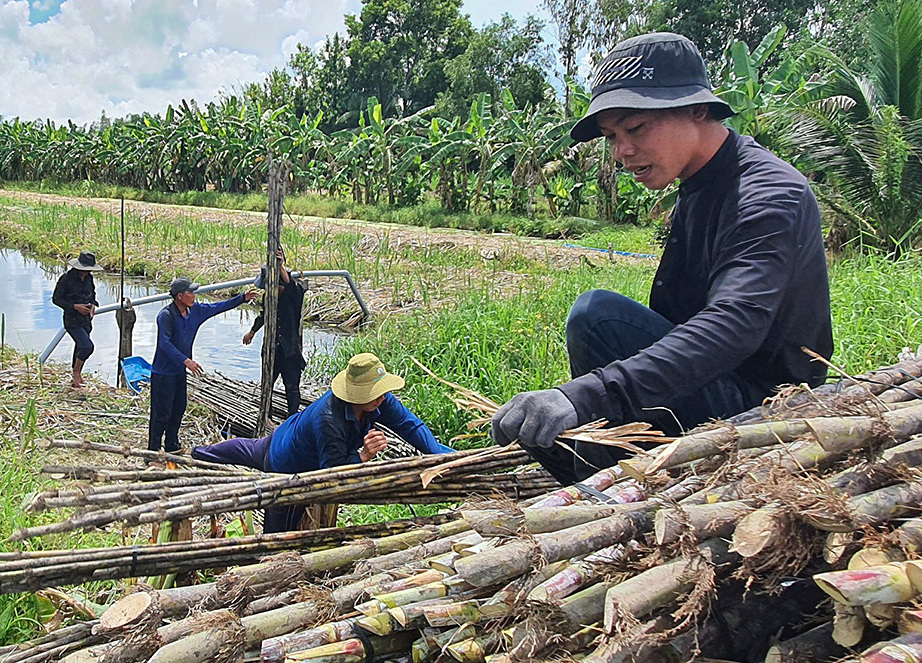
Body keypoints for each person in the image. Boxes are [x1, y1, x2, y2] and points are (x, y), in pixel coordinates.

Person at [491, 32, 833, 486]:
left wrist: (587, 396)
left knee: (598, 319)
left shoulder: (766, 194)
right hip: (719, 385)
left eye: (635, 129)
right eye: (612, 136)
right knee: (548, 426)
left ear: (697, 109)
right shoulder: (701, 183)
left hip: (767, 409)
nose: (621, 152)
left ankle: (598, 486)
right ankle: (597, 473)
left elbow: (733, 324)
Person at [192, 353, 455, 532]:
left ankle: (200, 452)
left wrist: (446, 456)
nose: (383, 398)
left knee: (247, 448)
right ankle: (199, 454)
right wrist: (363, 456)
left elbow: (410, 425)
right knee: (281, 523)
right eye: (376, 394)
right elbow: (332, 472)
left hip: (286, 433)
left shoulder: (379, 399)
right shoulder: (329, 419)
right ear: (355, 396)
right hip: (288, 464)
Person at [149, 277, 259, 456]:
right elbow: (164, 344)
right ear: (179, 297)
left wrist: (242, 298)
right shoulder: (166, 316)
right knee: (161, 413)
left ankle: (171, 445)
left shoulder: (195, 311)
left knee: (179, 408)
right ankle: (152, 452)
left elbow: (218, 307)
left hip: (179, 372)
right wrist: (186, 361)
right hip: (163, 373)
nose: (194, 296)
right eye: (190, 293)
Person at [243, 246, 307, 416]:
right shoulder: (269, 297)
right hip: (272, 349)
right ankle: (267, 416)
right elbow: (265, 315)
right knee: (267, 384)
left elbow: (291, 285)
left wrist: (279, 266)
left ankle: (292, 419)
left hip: (290, 350)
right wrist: (252, 331)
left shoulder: (294, 294)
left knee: (292, 388)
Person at [52, 251, 103, 388]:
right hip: (72, 320)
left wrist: (93, 305)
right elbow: (56, 299)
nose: (87, 272)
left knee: (79, 347)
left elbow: (92, 295)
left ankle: (76, 378)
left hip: (86, 320)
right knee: (87, 346)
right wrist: (75, 307)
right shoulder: (66, 279)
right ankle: (76, 372)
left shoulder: (89, 279)